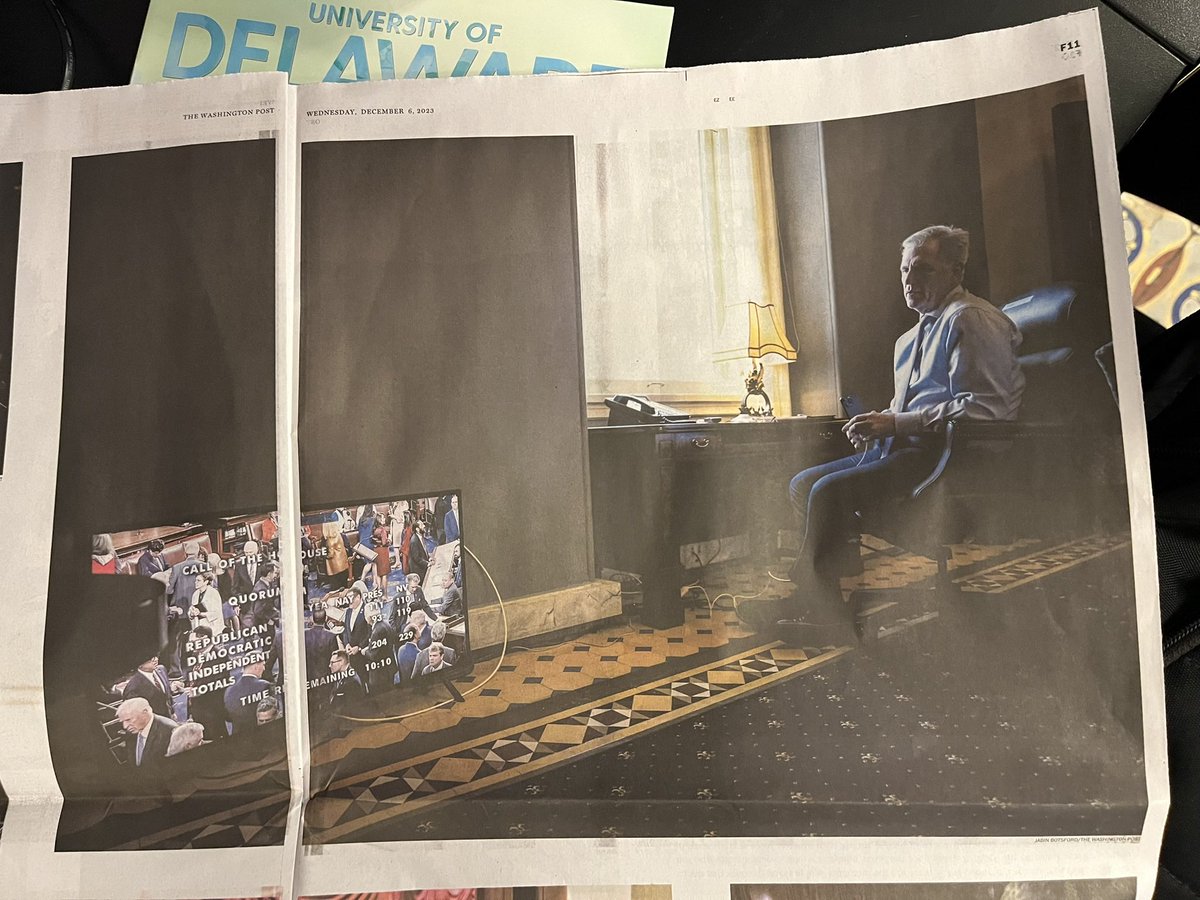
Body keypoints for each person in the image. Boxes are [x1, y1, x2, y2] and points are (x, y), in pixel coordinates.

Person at [744, 226, 1024, 644]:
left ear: (956, 269)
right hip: (904, 449)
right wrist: (879, 420)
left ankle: (813, 602)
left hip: (950, 455)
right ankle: (825, 591)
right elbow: (909, 409)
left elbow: (987, 409)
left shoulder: (971, 319)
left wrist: (896, 424)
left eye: (924, 271)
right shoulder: (908, 339)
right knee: (802, 483)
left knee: (827, 492)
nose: (911, 282)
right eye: (905, 271)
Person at [116, 697, 176, 771]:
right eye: (122, 721)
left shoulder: (170, 731)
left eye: (128, 720)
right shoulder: (131, 732)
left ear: (145, 712)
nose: (125, 726)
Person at [122, 653, 182, 721]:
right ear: (140, 665)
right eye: (151, 659)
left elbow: (165, 695)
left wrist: (172, 712)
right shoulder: (133, 687)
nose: (156, 660)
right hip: (154, 724)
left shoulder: (161, 670)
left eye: (155, 657)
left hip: (170, 718)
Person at [224, 657, 274, 735]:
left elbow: (228, 717)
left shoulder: (229, 690)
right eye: (263, 665)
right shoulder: (265, 685)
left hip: (238, 737)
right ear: (256, 667)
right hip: (260, 735)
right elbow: (273, 712)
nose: (264, 668)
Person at [360, 601, 398, 695]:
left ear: (368, 617)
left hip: (380, 674)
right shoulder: (386, 624)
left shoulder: (377, 631)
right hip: (389, 668)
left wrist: (365, 651)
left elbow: (373, 655)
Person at [190, 570, 226, 635]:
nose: (195, 582)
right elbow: (192, 608)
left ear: (206, 582)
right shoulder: (195, 594)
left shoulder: (213, 593)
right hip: (199, 628)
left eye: (198, 580)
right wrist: (191, 614)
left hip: (213, 627)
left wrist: (200, 614)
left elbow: (217, 613)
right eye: (195, 580)